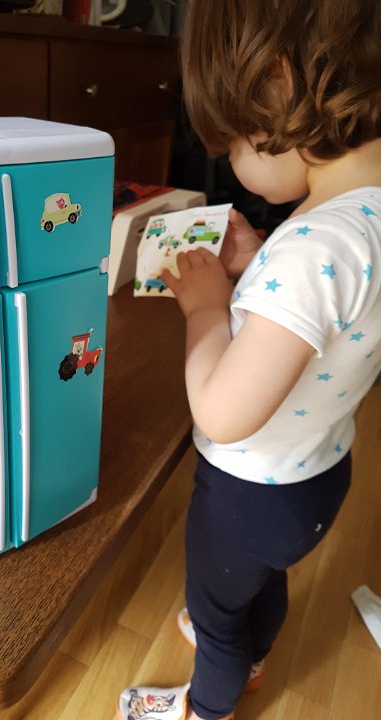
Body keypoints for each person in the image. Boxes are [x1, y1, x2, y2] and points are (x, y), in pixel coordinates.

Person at [117, 1, 381, 719]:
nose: (231, 160)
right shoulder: (358, 216)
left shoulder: (314, 245)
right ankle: (257, 654)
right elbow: (327, 311)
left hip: (248, 494)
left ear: (276, 83)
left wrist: (206, 307)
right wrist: (261, 261)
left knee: (217, 615)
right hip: (317, 474)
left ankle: (208, 708)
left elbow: (221, 413)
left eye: (232, 138)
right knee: (263, 578)